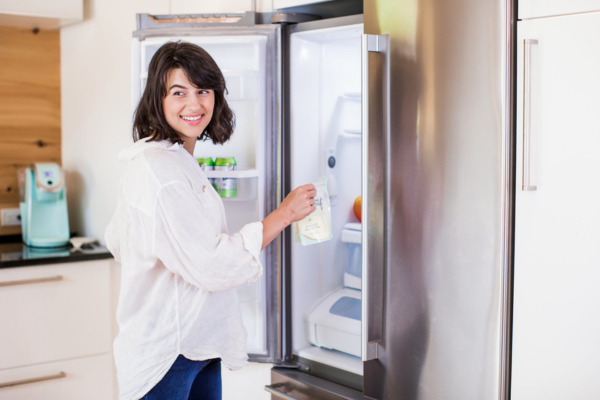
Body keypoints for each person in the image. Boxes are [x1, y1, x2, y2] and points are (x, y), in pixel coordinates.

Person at [105, 41, 316, 400]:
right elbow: (210, 264)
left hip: (197, 343)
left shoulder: (175, 160)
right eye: (178, 92)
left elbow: (120, 239)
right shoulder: (160, 170)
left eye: (203, 90)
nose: (194, 104)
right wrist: (284, 215)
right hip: (168, 353)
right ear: (157, 98)